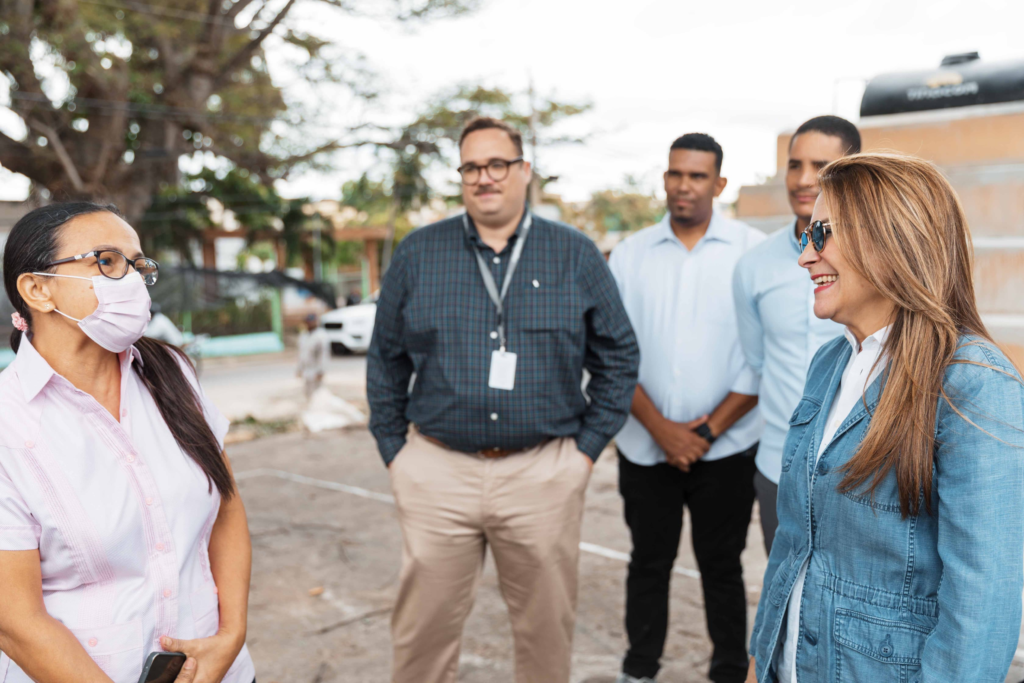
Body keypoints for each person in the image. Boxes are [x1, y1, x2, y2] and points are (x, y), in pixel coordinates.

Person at [367, 116, 639, 683]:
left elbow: (618, 356)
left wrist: (584, 453)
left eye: (497, 164)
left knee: (545, 636)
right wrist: (397, 453)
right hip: (437, 473)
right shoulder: (418, 254)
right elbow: (385, 361)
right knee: (421, 636)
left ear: (524, 170)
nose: (484, 177)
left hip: (542, 473)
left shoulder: (574, 254)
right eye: (471, 167)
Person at [747, 153, 1024, 683]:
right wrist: (760, 660)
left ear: (890, 237)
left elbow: (981, 608)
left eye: (822, 234)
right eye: (806, 235)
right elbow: (793, 543)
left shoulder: (973, 384)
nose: (806, 256)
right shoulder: (829, 363)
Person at [0, 203, 255, 683]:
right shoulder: (8, 425)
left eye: (138, 265)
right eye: (107, 261)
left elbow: (226, 506)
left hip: (221, 670)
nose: (133, 280)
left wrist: (231, 636)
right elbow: (16, 622)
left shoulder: (172, 373)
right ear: (37, 289)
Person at [608, 133, 764, 683]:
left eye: (697, 176)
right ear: (664, 178)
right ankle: (639, 669)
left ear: (719, 184)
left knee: (722, 567)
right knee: (647, 563)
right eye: (675, 174)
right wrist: (662, 430)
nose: (684, 185)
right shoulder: (630, 255)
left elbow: (761, 359)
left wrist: (705, 432)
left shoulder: (752, 252)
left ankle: (729, 671)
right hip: (644, 443)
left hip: (728, 447)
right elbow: (613, 352)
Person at [732, 116, 860, 553]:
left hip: (861, 472)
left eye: (821, 166)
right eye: (794, 165)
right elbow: (758, 361)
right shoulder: (753, 265)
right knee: (784, 588)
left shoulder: (882, 262)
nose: (804, 179)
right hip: (778, 466)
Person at [296, 313, 330, 400]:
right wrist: (299, 369)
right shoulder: (304, 335)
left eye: (311, 321)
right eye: (308, 322)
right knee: (308, 393)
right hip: (307, 369)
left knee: (318, 394)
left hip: (316, 369)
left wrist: (321, 371)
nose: (309, 324)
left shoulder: (321, 336)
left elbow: (323, 355)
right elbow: (301, 354)